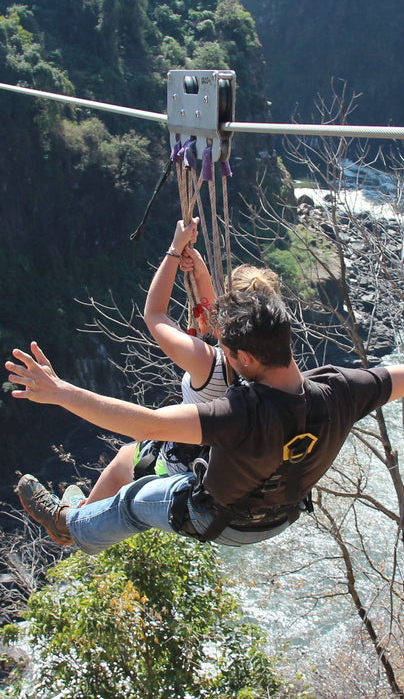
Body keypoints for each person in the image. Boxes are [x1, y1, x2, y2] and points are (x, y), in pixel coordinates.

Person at [8, 267, 404, 553]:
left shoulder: (238, 416)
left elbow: (140, 419)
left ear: (245, 355)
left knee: (135, 500)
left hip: (219, 520)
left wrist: (60, 392)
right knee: (144, 457)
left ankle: (69, 526)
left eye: (226, 350)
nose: (220, 352)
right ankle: (79, 519)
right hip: (278, 516)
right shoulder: (341, 389)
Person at [79, 217, 282, 509]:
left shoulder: (207, 362)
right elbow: (224, 325)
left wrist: (174, 250)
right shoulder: (269, 362)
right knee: (130, 454)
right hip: (230, 475)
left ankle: (72, 523)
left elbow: (155, 315)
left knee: (124, 459)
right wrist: (200, 274)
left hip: (183, 475)